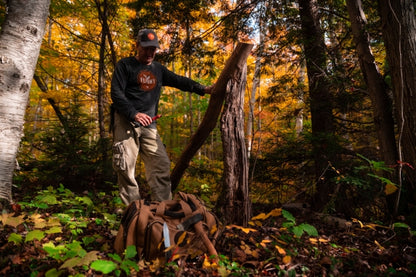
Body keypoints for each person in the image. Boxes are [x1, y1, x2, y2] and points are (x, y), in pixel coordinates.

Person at [111, 29, 212, 205]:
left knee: (161, 165)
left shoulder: (158, 69)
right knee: (125, 166)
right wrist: (133, 113)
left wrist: (202, 88)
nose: (150, 53)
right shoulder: (125, 65)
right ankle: (133, 213)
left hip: (149, 126)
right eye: (146, 48)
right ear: (137, 46)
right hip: (126, 122)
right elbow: (116, 93)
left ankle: (163, 211)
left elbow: (179, 81)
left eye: (153, 49)